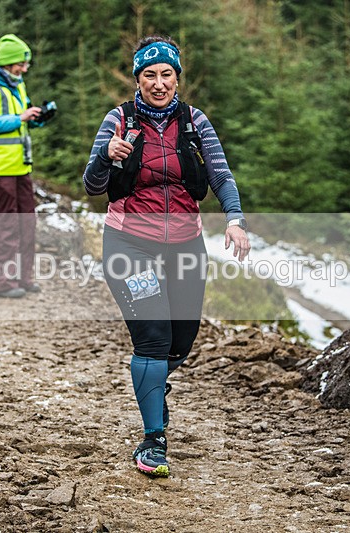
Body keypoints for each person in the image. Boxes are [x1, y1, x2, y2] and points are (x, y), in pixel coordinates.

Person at [83, 35, 250, 477]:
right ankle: (153, 440)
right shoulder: (119, 120)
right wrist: (106, 154)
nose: (159, 83)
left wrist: (234, 219)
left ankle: (153, 384)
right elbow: (92, 183)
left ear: (177, 77)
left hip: (185, 242)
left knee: (181, 340)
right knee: (153, 338)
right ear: (138, 79)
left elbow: (221, 175)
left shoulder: (194, 122)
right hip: (129, 244)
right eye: (149, 75)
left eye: (167, 74)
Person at [0, 34, 50, 298]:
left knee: (27, 221)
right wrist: (19, 117)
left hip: (19, 165)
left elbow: (21, 117)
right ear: (7, 62)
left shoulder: (16, 84)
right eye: (21, 63)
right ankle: (1, 284)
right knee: (7, 224)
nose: (25, 69)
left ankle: (22, 278)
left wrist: (35, 118)